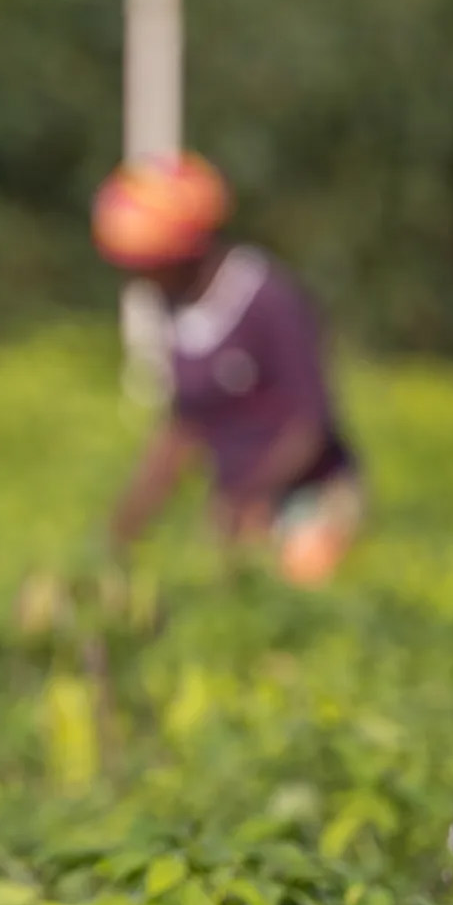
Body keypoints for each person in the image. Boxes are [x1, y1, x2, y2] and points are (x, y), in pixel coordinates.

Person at [96, 153, 361, 585]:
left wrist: (253, 497)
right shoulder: (176, 311)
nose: (138, 279)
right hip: (236, 507)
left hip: (306, 499)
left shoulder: (268, 301)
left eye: (147, 264)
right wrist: (126, 524)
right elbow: (185, 423)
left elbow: (311, 422)